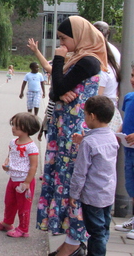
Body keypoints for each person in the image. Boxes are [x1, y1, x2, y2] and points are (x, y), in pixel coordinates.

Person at [37, 16, 108, 256]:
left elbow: (57, 84)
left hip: (73, 131)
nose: (62, 44)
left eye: (64, 39)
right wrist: (59, 93)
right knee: (64, 180)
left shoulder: (87, 60)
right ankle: (72, 239)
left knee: (71, 183)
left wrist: (58, 57)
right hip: (66, 129)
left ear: (78, 36)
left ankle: (75, 241)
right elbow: (58, 89)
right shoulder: (79, 59)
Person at [70, 95, 118, 256]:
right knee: (103, 229)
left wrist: (74, 194)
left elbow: (80, 172)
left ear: (92, 116)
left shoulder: (88, 143)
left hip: (92, 196)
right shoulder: (112, 137)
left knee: (95, 232)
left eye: (84, 114)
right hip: (108, 193)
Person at [0, 112, 41, 238]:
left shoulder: (31, 148)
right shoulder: (13, 142)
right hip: (13, 178)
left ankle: (23, 229)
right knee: (9, 202)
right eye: (13, 125)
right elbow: (10, 156)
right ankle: (7, 222)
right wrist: (6, 163)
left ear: (27, 129)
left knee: (24, 206)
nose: (13, 128)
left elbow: (33, 166)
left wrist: (27, 182)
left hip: (24, 181)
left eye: (17, 126)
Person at [115, 65, 134, 238]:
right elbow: (125, 120)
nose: (133, 80)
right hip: (129, 150)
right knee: (131, 186)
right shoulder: (129, 98)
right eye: (133, 75)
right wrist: (118, 133)